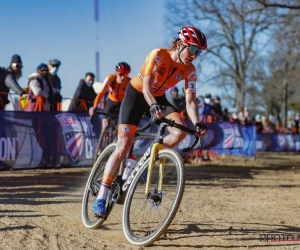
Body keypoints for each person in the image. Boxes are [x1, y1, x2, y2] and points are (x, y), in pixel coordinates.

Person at [89, 26, 208, 217]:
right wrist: (152, 105)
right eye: (193, 49)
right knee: (124, 144)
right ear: (179, 44)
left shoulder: (190, 70)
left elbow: (190, 100)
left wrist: (197, 123)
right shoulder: (158, 55)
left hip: (159, 98)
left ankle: (145, 160)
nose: (194, 55)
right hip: (137, 95)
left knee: (180, 132)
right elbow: (146, 85)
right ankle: (101, 196)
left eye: (199, 52)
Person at [93, 62, 131, 132]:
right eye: (121, 74)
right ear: (116, 73)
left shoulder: (129, 81)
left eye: (125, 75)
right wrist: (95, 105)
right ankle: (104, 136)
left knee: (123, 125)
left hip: (122, 103)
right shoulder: (110, 78)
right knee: (105, 125)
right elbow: (101, 92)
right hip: (111, 102)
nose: (123, 77)